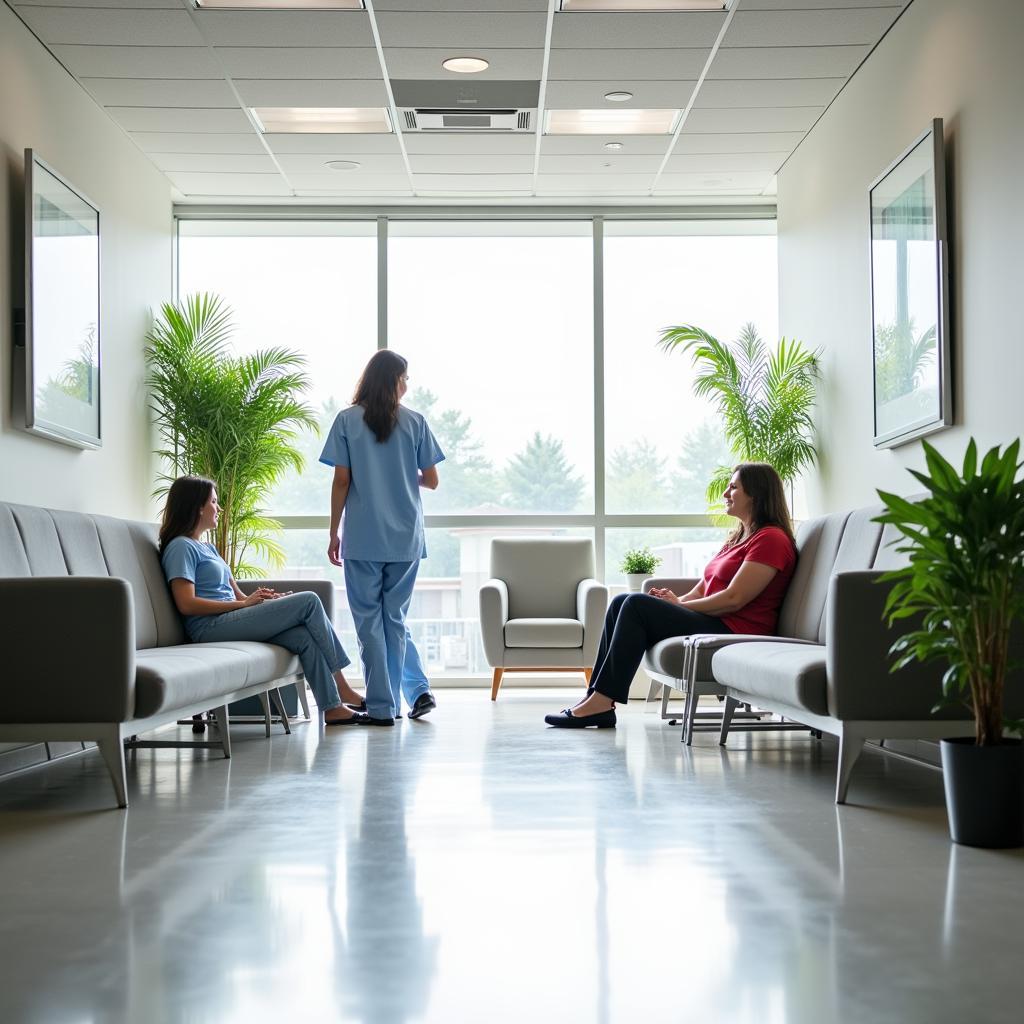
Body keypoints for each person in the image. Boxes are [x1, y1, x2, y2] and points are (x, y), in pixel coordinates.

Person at [545, 462, 798, 729]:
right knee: (621, 601)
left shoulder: (771, 539)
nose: (725, 494)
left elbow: (735, 599)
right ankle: (596, 699)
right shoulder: (738, 538)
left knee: (635, 604)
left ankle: (600, 703)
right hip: (716, 620)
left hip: (734, 628)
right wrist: (675, 602)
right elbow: (703, 587)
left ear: (756, 495)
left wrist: (679, 606)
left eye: (733, 487)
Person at [159, 475, 368, 726]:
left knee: (302, 636)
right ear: (198, 507)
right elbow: (186, 603)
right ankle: (343, 686)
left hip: (229, 619)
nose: (220, 508)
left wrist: (264, 602)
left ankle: (332, 708)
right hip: (209, 627)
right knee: (310, 600)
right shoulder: (181, 547)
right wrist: (243, 606)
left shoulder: (208, 548)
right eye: (214, 502)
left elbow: (238, 596)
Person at [321, 350, 445, 726]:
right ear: (392, 380)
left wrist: (333, 532)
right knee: (395, 619)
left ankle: (382, 707)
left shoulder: (346, 421)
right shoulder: (416, 422)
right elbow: (432, 480)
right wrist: (406, 473)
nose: (407, 385)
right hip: (404, 537)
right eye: (404, 377)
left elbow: (342, 480)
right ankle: (411, 693)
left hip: (362, 536)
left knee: (369, 623)